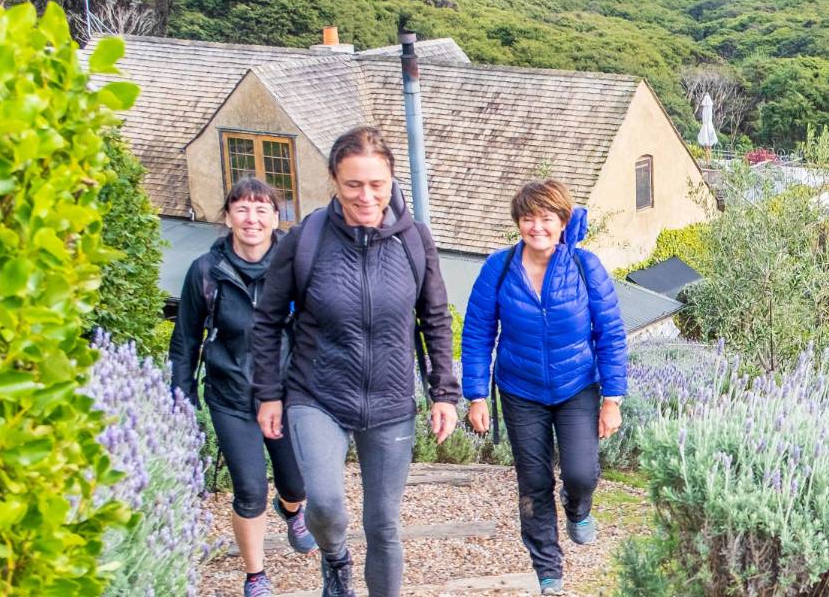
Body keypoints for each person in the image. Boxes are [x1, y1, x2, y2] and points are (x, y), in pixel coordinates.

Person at [251, 127, 461, 597]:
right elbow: (266, 321)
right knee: (325, 506)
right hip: (317, 394)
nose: (366, 196)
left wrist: (444, 393)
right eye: (353, 185)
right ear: (333, 180)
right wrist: (268, 393)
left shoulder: (415, 240)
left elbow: (434, 318)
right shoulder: (305, 240)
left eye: (376, 184)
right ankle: (335, 558)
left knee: (383, 525)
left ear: (391, 181)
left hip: (389, 402)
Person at [462, 179, 628, 597]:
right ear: (518, 222)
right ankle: (548, 568)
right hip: (520, 391)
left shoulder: (585, 267)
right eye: (528, 218)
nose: (537, 226)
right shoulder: (498, 269)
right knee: (533, 483)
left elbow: (611, 334)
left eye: (546, 218)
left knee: (581, 473)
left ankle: (578, 508)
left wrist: (612, 399)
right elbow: (478, 332)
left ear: (562, 222)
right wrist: (476, 395)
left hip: (577, 387)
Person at [169, 177, 316, 597]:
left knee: (298, 485)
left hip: (287, 396)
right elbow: (185, 341)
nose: (251, 219)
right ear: (229, 216)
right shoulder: (206, 272)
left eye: (261, 210)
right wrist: (180, 399)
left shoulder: (293, 269)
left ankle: (291, 509)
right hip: (230, 396)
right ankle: (256, 575)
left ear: (275, 218)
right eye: (242, 209)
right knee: (249, 490)